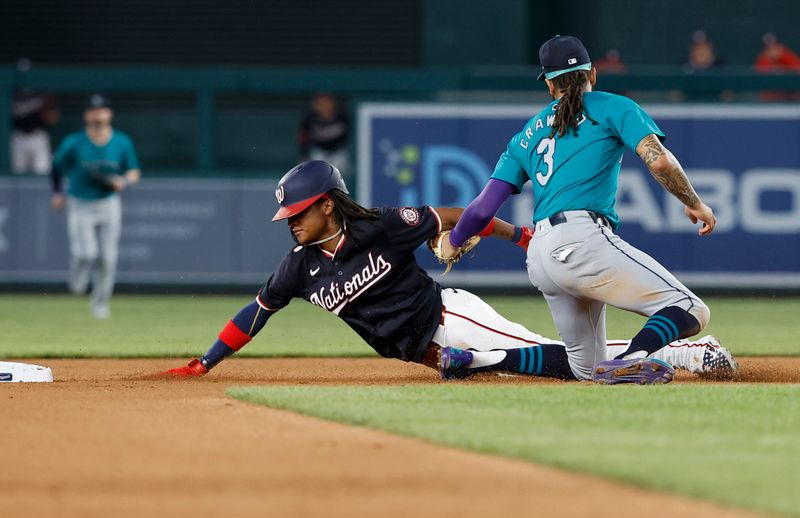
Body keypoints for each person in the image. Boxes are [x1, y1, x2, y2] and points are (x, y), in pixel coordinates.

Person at [162, 161, 736, 381]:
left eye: (297, 212)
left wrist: (521, 235)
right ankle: (682, 351)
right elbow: (255, 312)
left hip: (451, 318)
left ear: (327, 204)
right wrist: (206, 361)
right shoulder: (298, 268)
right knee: (554, 359)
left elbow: (463, 215)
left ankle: (686, 352)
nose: (289, 222)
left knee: (573, 366)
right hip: (429, 351)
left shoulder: (382, 226)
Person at [441, 35, 720, 385]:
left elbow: (482, 210)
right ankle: (633, 357)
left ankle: (472, 361)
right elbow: (660, 161)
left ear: (548, 84)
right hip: (583, 239)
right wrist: (695, 204)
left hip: (542, 255)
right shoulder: (613, 106)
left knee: (584, 368)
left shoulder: (526, 135)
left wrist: (454, 240)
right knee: (691, 308)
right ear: (594, 73)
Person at [50, 94, 141, 319]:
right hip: (80, 202)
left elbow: (134, 171)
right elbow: (56, 167)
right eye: (92, 110)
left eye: (101, 110)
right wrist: (57, 192)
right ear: (86, 115)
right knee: (86, 253)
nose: (97, 114)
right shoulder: (74, 141)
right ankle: (79, 273)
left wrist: (124, 181)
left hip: (108, 202)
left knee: (108, 257)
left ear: (109, 114)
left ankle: (100, 302)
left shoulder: (121, 141)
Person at [297, 92, 351, 177]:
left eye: (327, 103)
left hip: (339, 152)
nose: (324, 106)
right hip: (319, 152)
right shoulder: (310, 118)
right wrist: (304, 155)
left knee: (341, 177)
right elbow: (303, 138)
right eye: (321, 103)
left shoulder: (342, 116)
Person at [754, 33, 800, 102]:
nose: (771, 48)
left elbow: (797, 68)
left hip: (790, 95)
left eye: (773, 45)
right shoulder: (763, 58)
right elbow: (759, 74)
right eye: (768, 46)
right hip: (772, 97)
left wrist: (784, 68)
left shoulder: (786, 55)